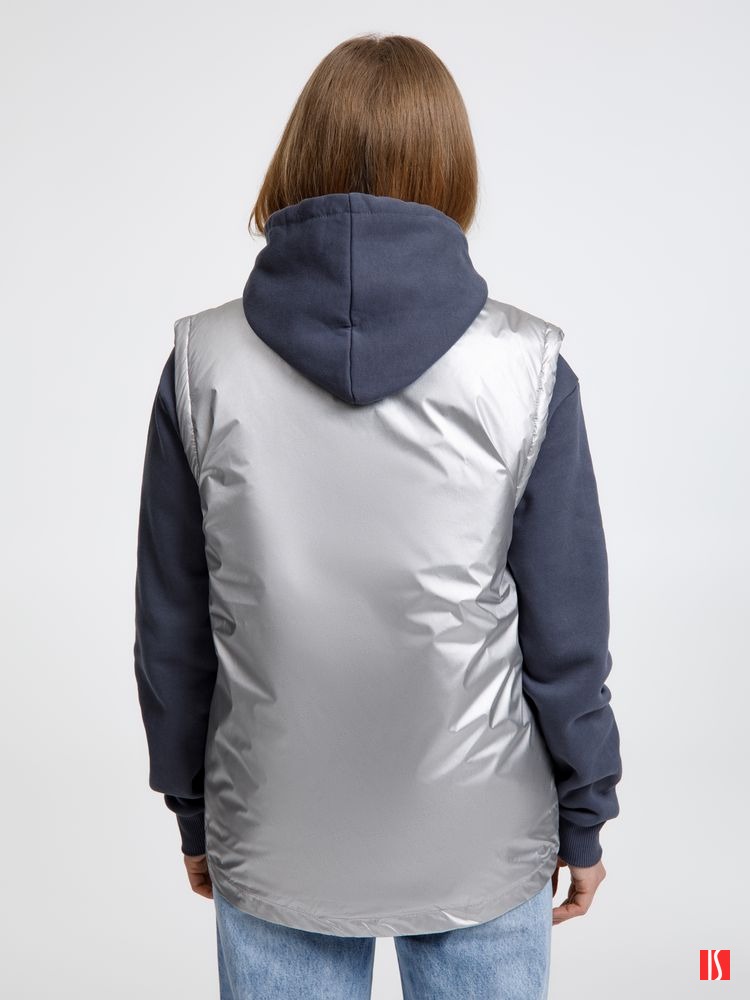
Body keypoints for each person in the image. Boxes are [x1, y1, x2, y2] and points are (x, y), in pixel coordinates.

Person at [134, 33, 622, 1000]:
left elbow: (174, 627)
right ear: (451, 167)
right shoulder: (527, 369)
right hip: (483, 834)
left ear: (297, 156)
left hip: (273, 825)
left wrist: (195, 808)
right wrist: (585, 813)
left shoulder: (203, 365)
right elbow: (567, 629)